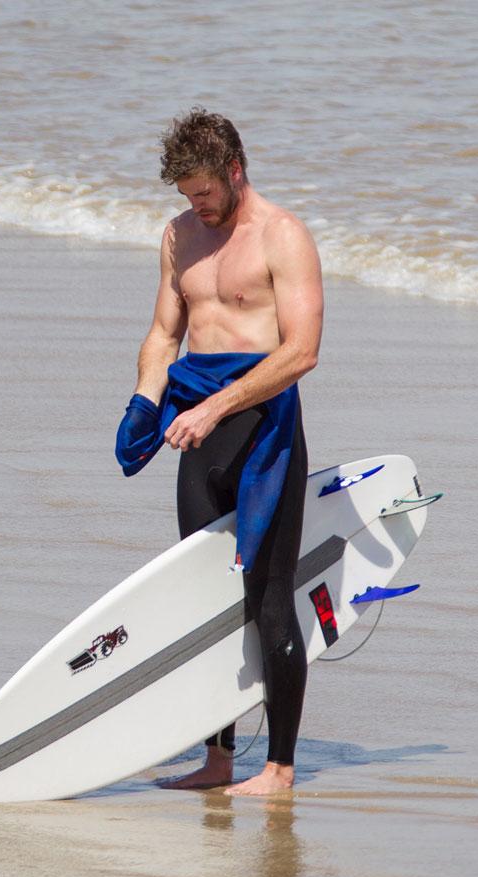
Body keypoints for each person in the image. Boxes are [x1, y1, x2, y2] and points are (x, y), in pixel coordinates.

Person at [116, 108, 323, 796]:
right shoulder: (179, 237)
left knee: (268, 602)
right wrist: (146, 401)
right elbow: (162, 332)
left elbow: (300, 352)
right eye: (185, 195)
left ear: (236, 171)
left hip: (262, 429)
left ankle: (280, 768)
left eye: (205, 192)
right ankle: (218, 759)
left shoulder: (282, 236)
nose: (196, 206)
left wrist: (212, 407)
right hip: (199, 436)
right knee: (207, 601)